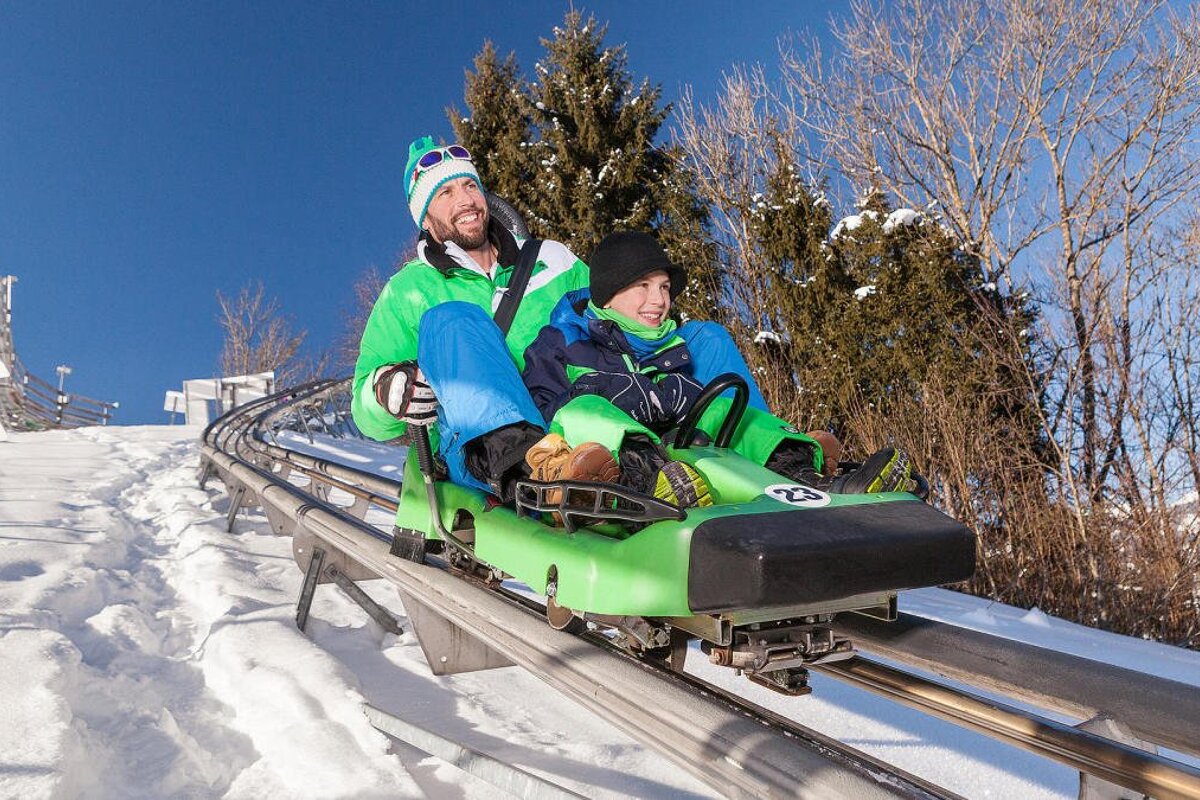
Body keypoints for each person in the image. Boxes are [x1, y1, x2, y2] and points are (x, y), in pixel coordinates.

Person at [520, 230, 926, 502]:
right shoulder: (560, 341)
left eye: (663, 288)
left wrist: (680, 396)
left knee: (724, 407)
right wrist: (600, 393)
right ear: (608, 295)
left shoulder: (671, 343)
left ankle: (812, 478)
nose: (659, 301)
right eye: (643, 287)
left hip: (680, 455)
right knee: (584, 412)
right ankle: (655, 483)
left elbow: (688, 412)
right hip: (615, 469)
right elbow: (541, 411)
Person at [351, 136, 618, 501]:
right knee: (455, 320)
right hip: (479, 452)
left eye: (469, 185)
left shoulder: (553, 260)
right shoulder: (410, 290)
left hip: (574, 417)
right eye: (444, 193)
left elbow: (614, 319)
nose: (465, 200)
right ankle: (534, 473)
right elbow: (366, 413)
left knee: (704, 339)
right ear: (425, 220)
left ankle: (705, 455)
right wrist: (385, 390)